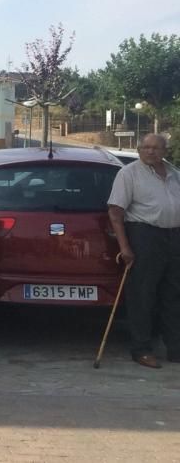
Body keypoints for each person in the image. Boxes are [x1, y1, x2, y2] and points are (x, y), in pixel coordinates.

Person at [107, 134, 180, 369]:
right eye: (146, 147)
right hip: (144, 236)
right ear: (138, 150)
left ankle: (175, 348)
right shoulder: (128, 174)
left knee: (174, 295)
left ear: (164, 151)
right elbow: (116, 212)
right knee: (143, 296)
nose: (150, 152)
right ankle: (142, 349)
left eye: (156, 148)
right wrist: (125, 247)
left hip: (174, 237)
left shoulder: (174, 174)